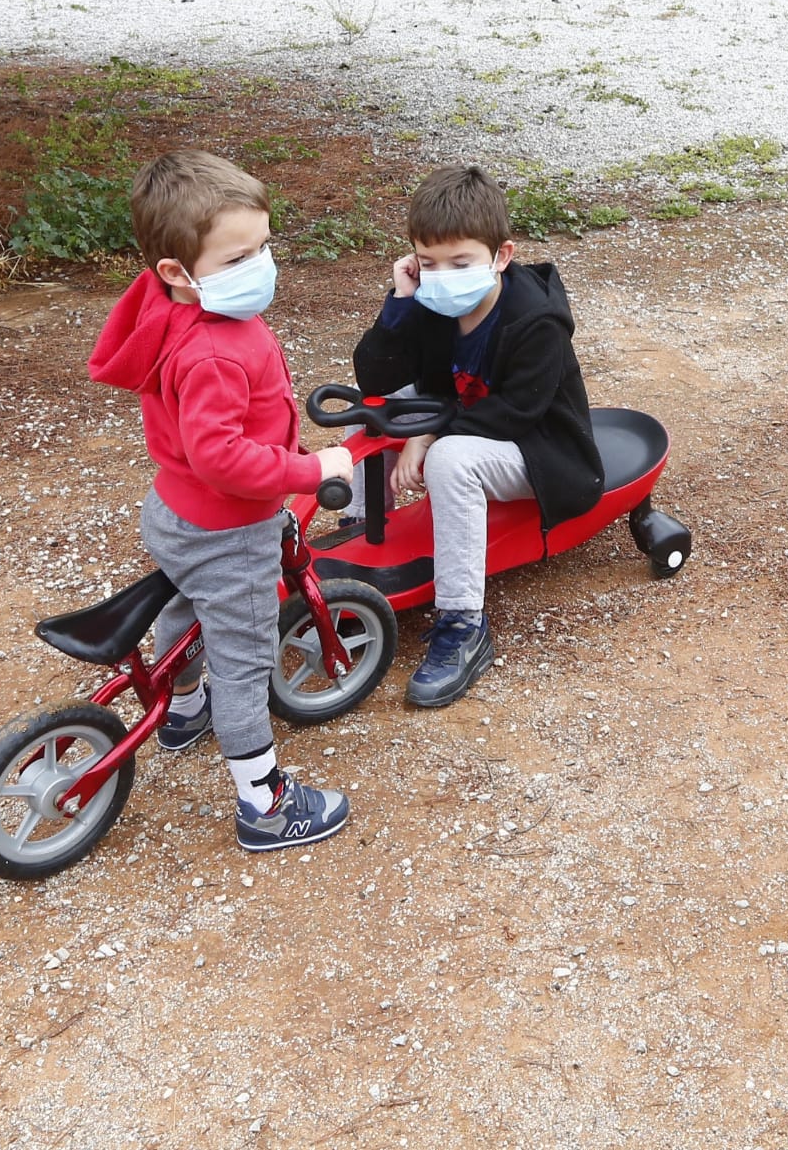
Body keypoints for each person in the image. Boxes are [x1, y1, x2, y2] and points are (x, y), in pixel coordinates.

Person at [88, 150, 355, 851]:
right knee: (242, 655)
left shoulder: (167, 306)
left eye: (263, 247)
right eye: (239, 258)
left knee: (184, 601)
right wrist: (307, 467)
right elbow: (221, 456)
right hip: (227, 526)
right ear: (176, 271)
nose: (260, 266)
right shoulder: (209, 352)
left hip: (174, 513)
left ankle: (179, 707)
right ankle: (264, 803)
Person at [352, 164, 605, 707]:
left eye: (460, 262)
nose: (442, 275)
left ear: (501, 257)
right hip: (474, 430)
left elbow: (516, 412)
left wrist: (425, 436)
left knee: (450, 459)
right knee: (371, 409)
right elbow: (373, 378)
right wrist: (399, 304)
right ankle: (360, 540)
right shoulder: (434, 302)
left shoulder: (536, 321)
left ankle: (464, 624)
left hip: (542, 454)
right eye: (428, 262)